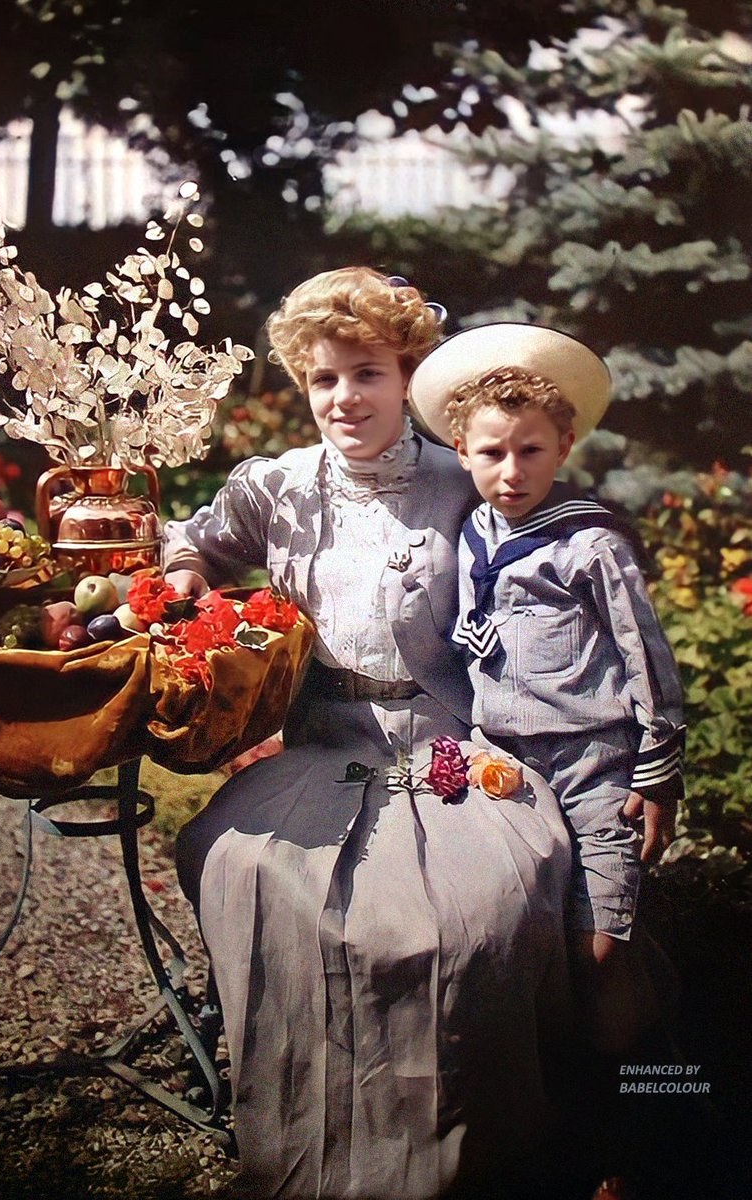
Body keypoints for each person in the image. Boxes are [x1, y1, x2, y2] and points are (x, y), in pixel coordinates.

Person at [163, 270, 574, 1199]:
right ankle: (315, 1130)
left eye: (368, 375)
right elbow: (193, 541)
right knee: (250, 873)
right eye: (323, 380)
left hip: (447, 744)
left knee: (475, 908)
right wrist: (186, 576)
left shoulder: (459, 479)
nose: (344, 399)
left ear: (407, 376)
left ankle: (457, 1143)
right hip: (319, 748)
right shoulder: (274, 487)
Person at [407, 323, 685, 1056]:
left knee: (599, 948)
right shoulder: (470, 536)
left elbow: (647, 661)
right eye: (491, 453)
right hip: (506, 764)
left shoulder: (589, 544)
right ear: (461, 451)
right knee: (508, 939)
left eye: (529, 451)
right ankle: (546, 1105)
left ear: (562, 448)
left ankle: (624, 1133)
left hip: (592, 762)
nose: (510, 472)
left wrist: (658, 778)